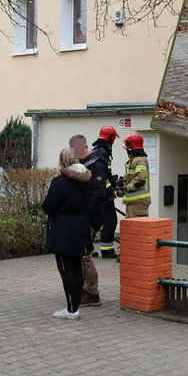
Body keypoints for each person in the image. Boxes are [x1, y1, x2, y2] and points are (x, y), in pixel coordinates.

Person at [43, 148, 92, 320]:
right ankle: (74, 307)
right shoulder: (86, 180)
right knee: (77, 268)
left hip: (63, 229)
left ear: (62, 161)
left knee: (66, 270)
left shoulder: (60, 181)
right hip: (81, 226)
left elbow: (49, 206)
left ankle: (72, 309)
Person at [69, 134, 100, 307]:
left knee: (84, 257)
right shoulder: (82, 165)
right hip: (82, 218)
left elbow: (96, 196)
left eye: (78, 149)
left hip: (87, 219)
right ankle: (87, 290)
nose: (76, 153)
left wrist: (89, 221)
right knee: (81, 256)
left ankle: (92, 293)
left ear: (86, 147)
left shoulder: (94, 165)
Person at [82, 126, 119, 260]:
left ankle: (87, 250)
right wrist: (109, 193)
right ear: (110, 139)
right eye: (113, 140)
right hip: (100, 196)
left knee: (94, 224)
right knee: (110, 221)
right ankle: (107, 251)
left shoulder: (98, 152)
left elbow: (104, 175)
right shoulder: (101, 155)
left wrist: (112, 180)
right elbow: (100, 179)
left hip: (93, 195)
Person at [121, 133, 150, 218]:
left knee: (138, 229)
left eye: (127, 148)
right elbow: (133, 176)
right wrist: (122, 181)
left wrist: (128, 187)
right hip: (133, 202)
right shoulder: (134, 160)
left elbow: (141, 180)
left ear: (131, 148)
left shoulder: (140, 160)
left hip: (138, 203)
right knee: (131, 228)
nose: (126, 150)